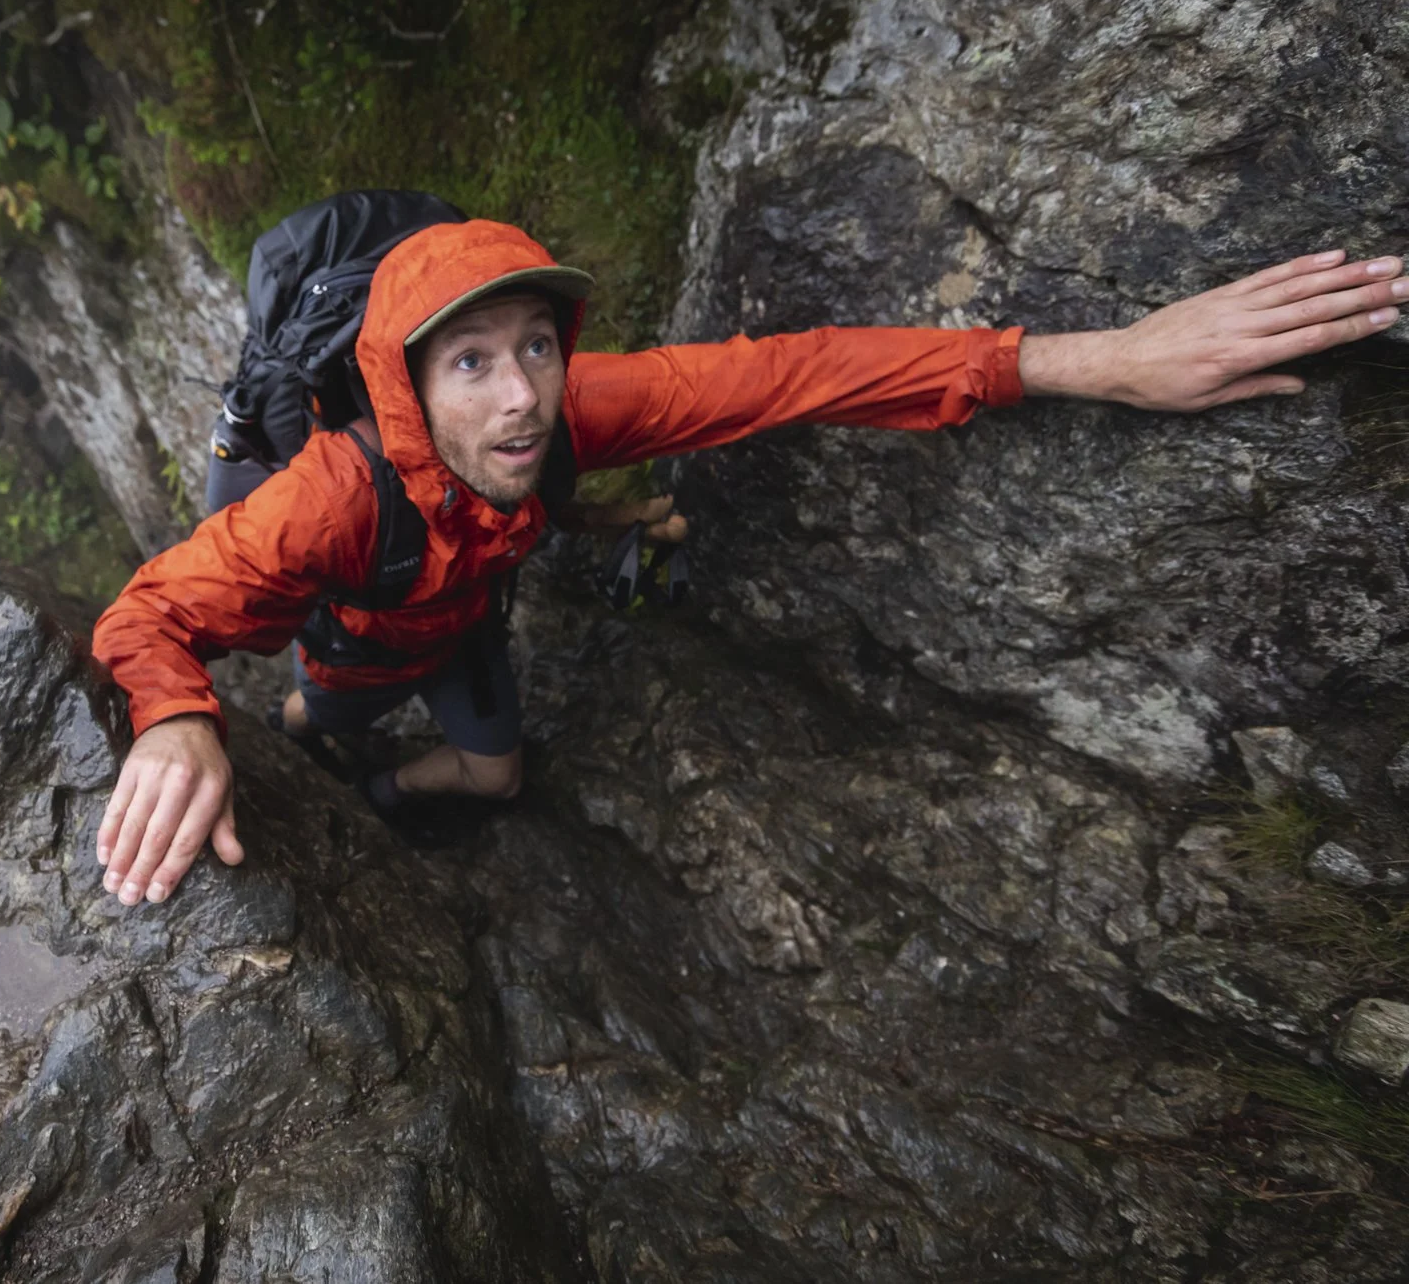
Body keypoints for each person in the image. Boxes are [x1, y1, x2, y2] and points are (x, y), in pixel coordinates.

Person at [89, 217, 1405, 907]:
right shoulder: (325, 497)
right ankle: (322, 741)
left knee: (495, 776)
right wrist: (175, 720)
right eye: (470, 362)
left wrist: (1094, 357)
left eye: (536, 345)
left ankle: (382, 780)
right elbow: (152, 609)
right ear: (405, 380)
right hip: (356, 626)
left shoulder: (580, 408)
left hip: (469, 614)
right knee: (324, 707)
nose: (520, 401)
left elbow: (795, 374)